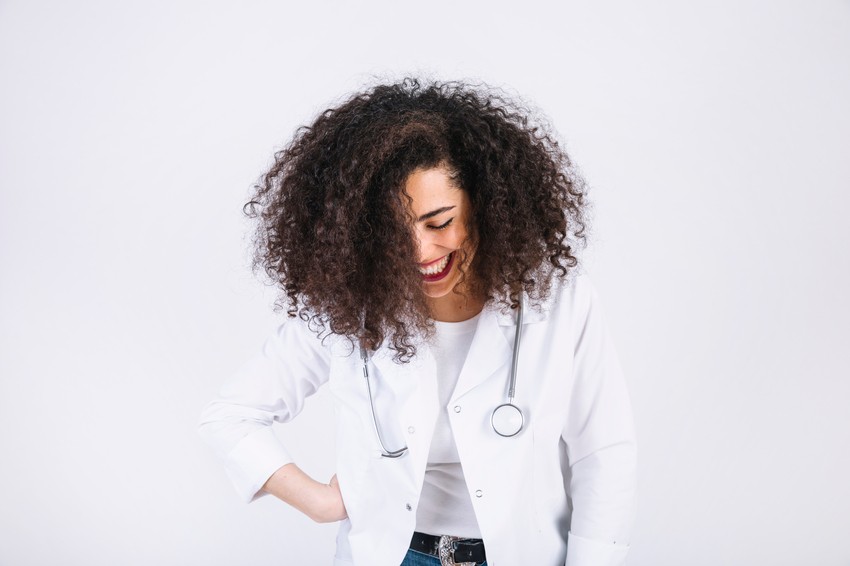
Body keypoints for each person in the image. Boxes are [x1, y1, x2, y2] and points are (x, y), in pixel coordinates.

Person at [198, 77, 637, 566]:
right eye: (392, 232)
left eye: (439, 222)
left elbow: (602, 453)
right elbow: (231, 416)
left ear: (486, 202)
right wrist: (320, 502)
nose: (420, 253)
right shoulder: (347, 307)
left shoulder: (559, 302)